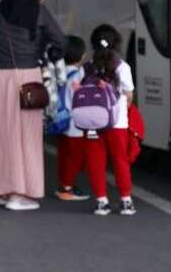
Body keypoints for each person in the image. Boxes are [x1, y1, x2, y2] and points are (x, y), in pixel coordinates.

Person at [0, 0, 65, 211]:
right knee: (24, 137)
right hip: (26, 78)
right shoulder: (37, 10)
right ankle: (18, 194)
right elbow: (60, 39)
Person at [84, 24, 136, 216]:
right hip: (117, 123)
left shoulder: (88, 67)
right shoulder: (123, 67)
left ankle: (101, 201)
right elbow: (129, 96)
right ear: (117, 43)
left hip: (91, 124)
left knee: (96, 162)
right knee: (120, 161)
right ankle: (126, 201)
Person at [55, 36, 91, 201]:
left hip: (61, 120)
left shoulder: (60, 71)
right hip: (75, 125)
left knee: (64, 155)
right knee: (74, 158)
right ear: (81, 56)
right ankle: (67, 188)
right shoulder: (78, 76)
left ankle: (63, 183)